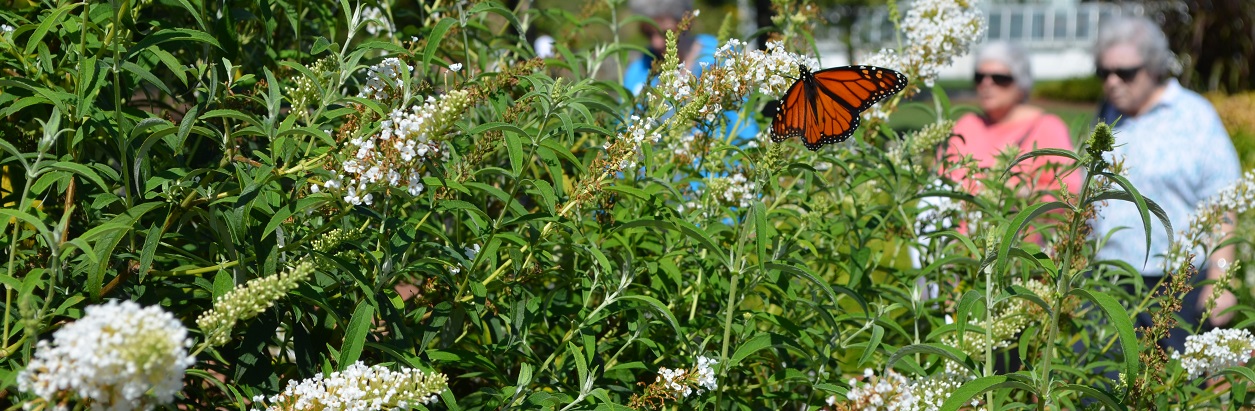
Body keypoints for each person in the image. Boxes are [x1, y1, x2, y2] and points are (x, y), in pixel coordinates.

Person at [1091, 16, 1240, 349]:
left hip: (1176, 284)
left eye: (1125, 73)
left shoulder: (1194, 115)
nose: (1112, 82)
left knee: (1173, 390)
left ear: (1154, 67)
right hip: (1111, 279)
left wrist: (1221, 280)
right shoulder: (1106, 115)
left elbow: (1223, 202)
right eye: (1104, 72)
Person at [943, 41, 1082, 195]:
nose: (986, 83)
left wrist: (1016, 195)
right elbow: (939, 179)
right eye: (979, 77)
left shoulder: (1047, 127)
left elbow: (1071, 192)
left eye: (1000, 78)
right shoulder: (967, 124)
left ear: (1021, 84)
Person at [623, 0, 758, 143]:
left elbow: (743, 125)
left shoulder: (720, 59)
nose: (656, 42)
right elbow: (626, 127)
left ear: (686, 23)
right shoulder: (638, 70)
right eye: (648, 33)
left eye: (666, 32)